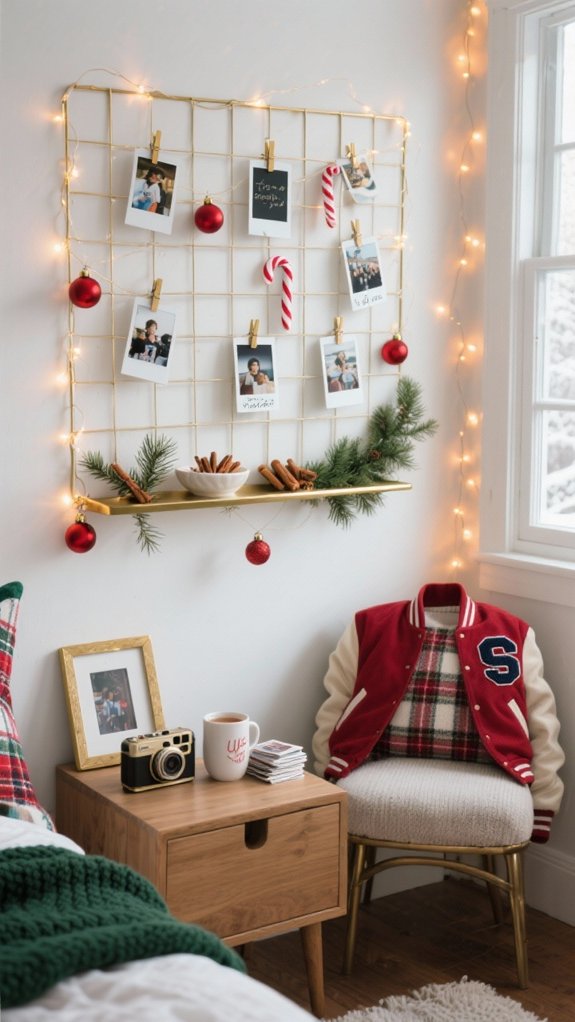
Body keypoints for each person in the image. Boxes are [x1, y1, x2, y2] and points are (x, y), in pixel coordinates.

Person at [312, 582, 565, 844]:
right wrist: (324, 778)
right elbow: (335, 707)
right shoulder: (369, 626)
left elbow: (542, 721)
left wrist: (544, 802)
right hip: (366, 758)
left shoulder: (513, 632)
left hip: (499, 764)